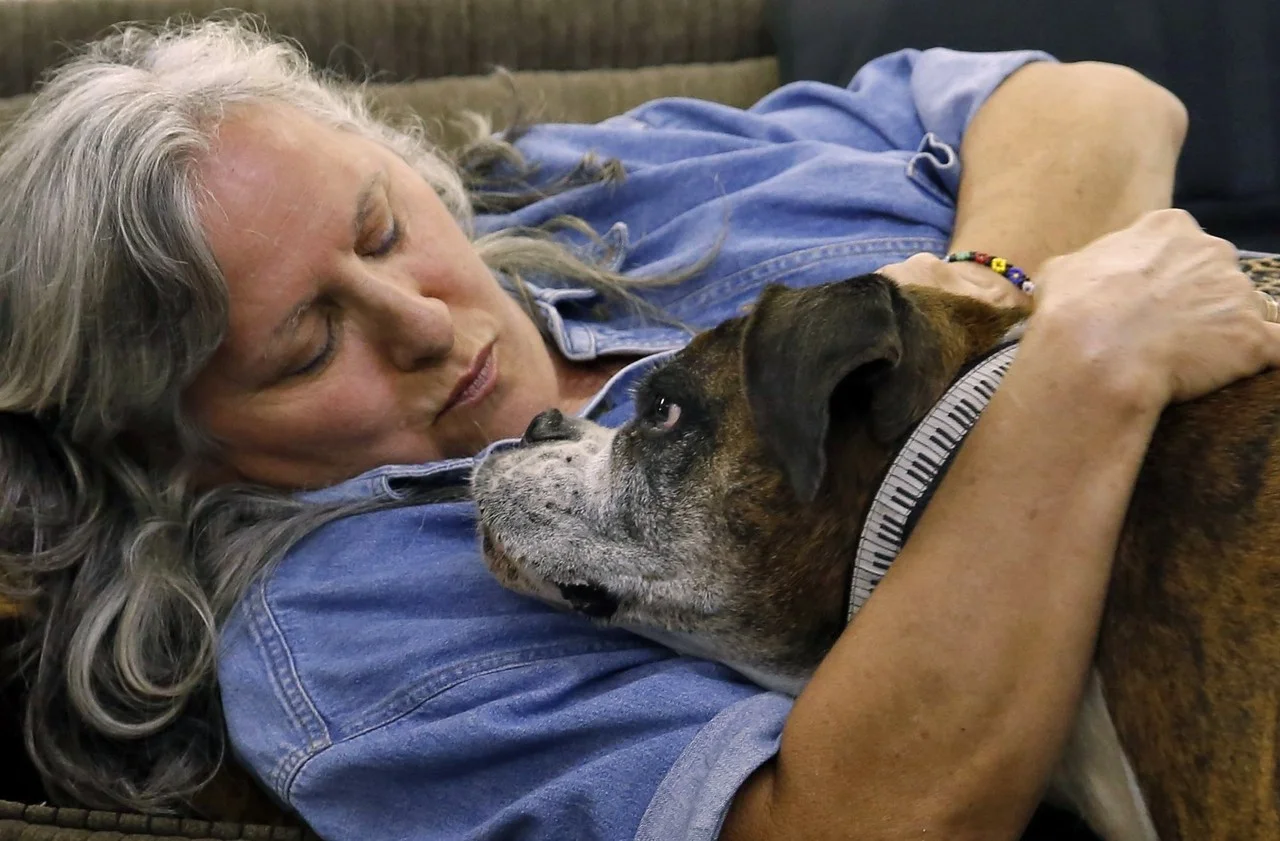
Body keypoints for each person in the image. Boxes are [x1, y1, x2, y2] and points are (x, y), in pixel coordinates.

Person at [0, 16, 1274, 841]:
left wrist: (982, 285)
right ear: (170, 442)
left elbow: (1096, 103)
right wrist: (1071, 368)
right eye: (306, 345)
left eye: (385, 228)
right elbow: (853, 825)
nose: (426, 323)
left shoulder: (600, 179)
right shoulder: (344, 636)